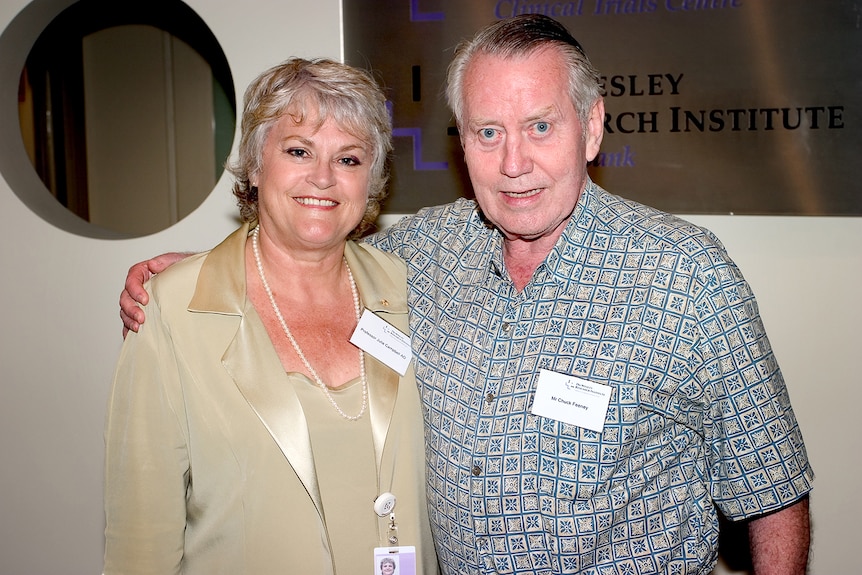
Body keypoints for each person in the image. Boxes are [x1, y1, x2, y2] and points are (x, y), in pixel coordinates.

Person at [118, 15, 813, 575]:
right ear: (462, 141)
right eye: (489, 132)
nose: (514, 164)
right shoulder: (421, 256)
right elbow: (315, 249)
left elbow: (774, 494)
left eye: (540, 126)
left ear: (592, 126)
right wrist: (210, 271)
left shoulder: (686, 276)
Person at [104, 57, 438, 575]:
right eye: (298, 151)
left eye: (349, 160)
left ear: (371, 180)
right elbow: (139, 538)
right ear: (256, 166)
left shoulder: (409, 287)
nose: (323, 178)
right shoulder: (172, 309)